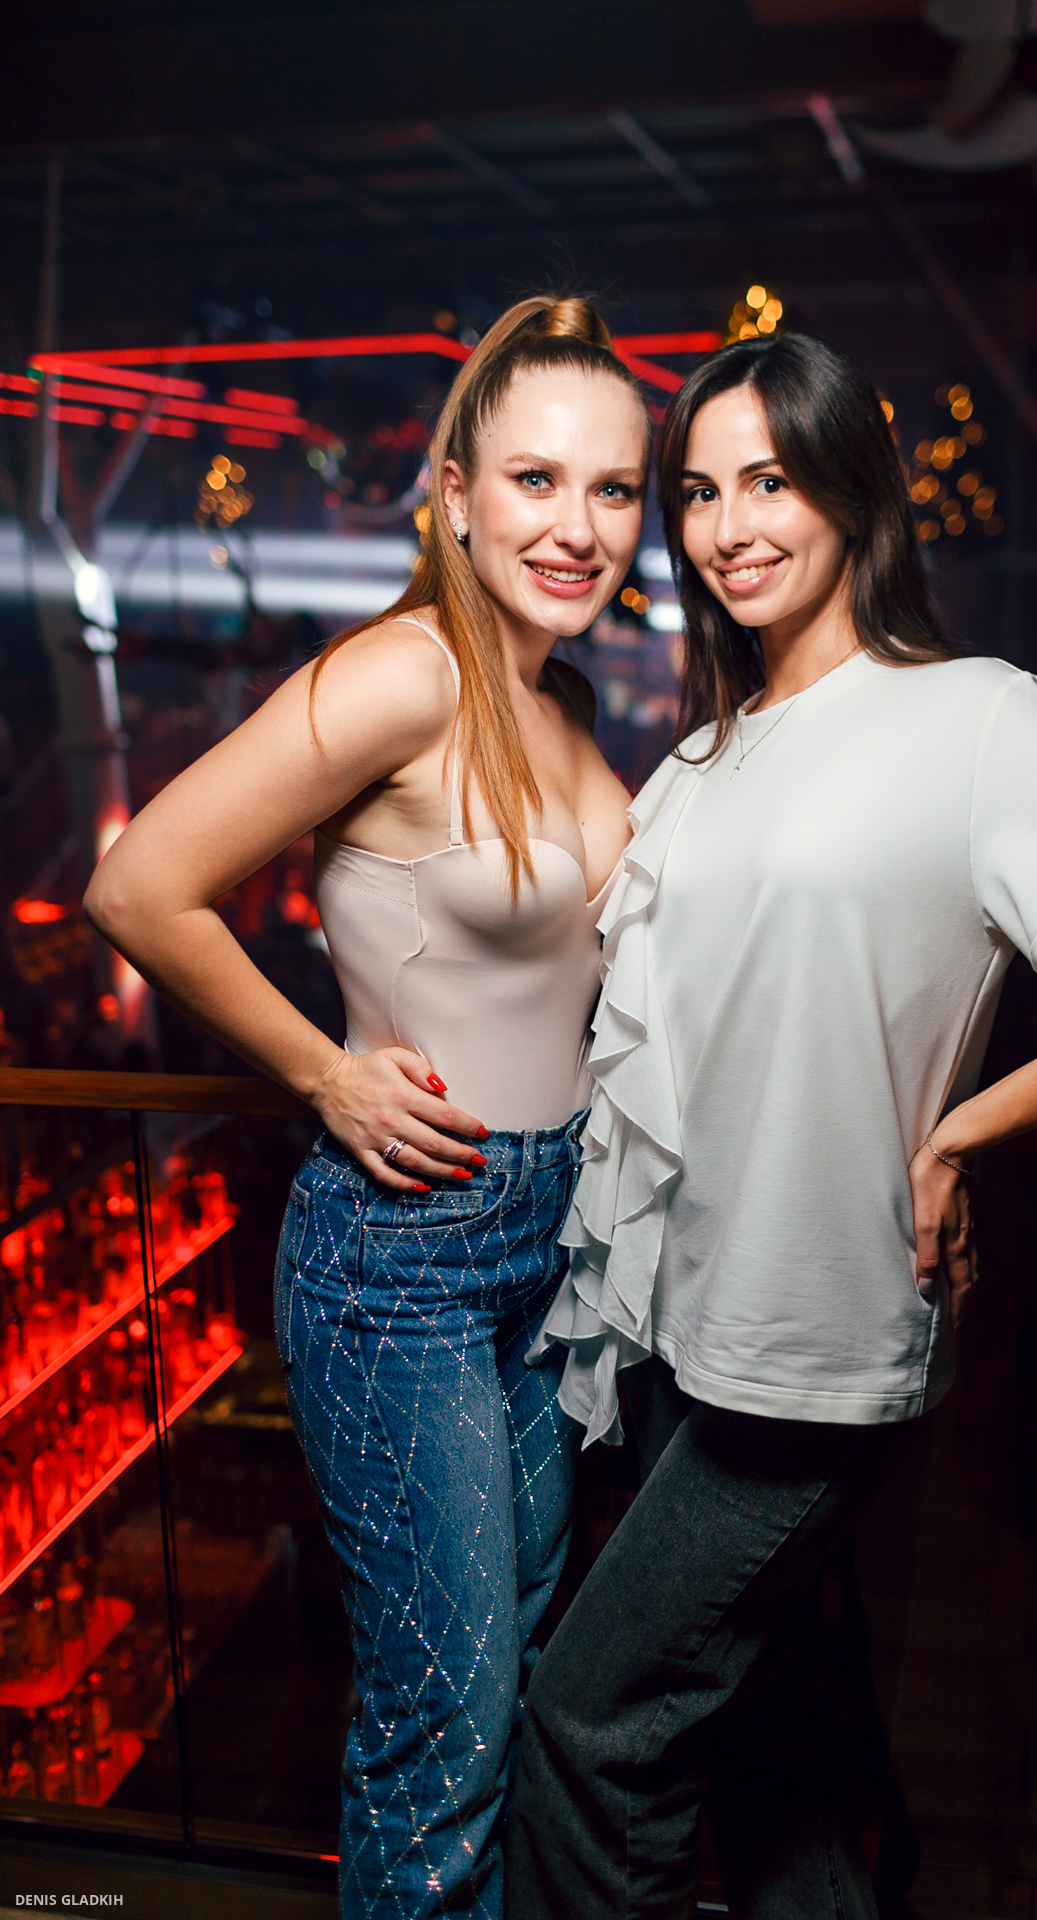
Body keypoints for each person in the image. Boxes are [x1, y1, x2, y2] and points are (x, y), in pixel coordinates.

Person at [508, 332, 1037, 1919]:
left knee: (588, 1728)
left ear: (853, 488)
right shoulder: (699, 758)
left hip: (816, 1337)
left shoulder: (971, 717)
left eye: (771, 479)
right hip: (677, 1333)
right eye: (700, 491)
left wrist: (963, 1134)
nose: (730, 526)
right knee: (776, 1759)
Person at [84, 295, 649, 1919]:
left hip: (550, 1242)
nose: (578, 526)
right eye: (535, 480)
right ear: (454, 494)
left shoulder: (568, 704)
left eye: (613, 488)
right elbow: (142, 883)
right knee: (444, 1718)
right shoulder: (406, 673)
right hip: (403, 1253)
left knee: (515, 1679)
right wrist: (323, 1070)